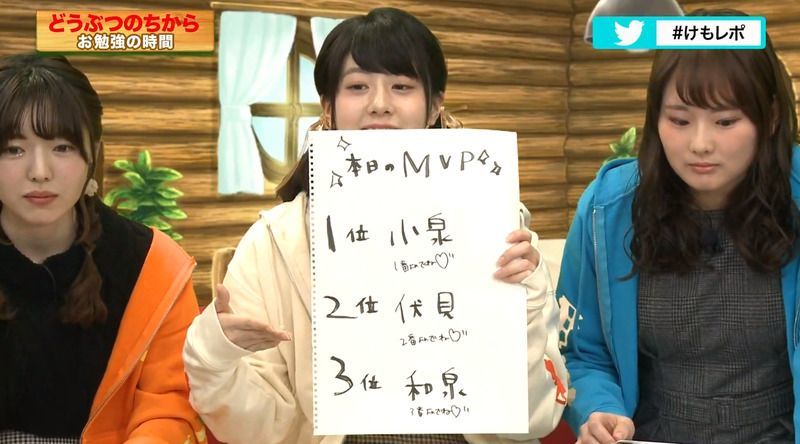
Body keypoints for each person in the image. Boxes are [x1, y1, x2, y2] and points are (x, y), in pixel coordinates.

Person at [183, 7, 566, 444]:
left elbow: (536, 419)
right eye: (357, 86)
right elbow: (255, 430)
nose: (379, 104)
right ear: (328, 107)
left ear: (434, 105)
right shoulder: (274, 243)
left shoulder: (500, 233)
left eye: (402, 86)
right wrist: (215, 355)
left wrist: (527, 301)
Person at [559, 8, 800, 444]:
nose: (700, 144)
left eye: (725, 121)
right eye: (679, 120)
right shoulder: (609, 208)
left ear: (771, 118)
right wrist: (599, 409)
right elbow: (583, 351)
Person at [0, 54, 206, 443]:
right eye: (14, 149)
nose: (39, 171)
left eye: (62, 147)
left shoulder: (153, 264)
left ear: (93, 152)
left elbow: (167, 403)